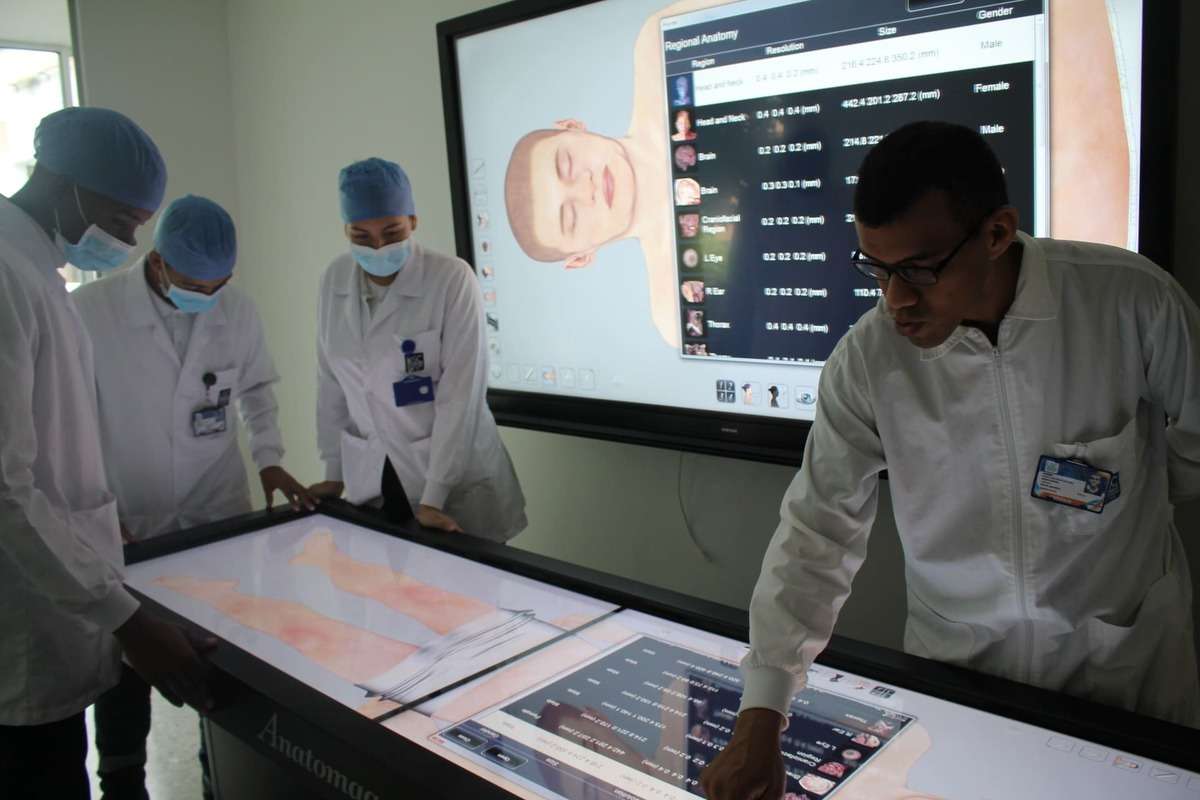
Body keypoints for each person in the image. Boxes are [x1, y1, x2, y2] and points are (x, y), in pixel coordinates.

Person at [700, 121, 1200, 800]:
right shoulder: (869, 360)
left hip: (1124, 679)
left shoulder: (1128, 302)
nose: (896, 300)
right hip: (963, 685)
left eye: (919, 269)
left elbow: (1193, 449)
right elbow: (817, 532)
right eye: (878, 270)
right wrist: (763, 710)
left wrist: (1137, 506)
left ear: (997, 233)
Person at [502, 0, 1131, 351]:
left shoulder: (655, 42)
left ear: (571, 127)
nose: (586, 188)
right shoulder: (675, 313)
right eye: (570, 215)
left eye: (565, 165)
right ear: (581, 256)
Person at [0, 106, 213, 800]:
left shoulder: (38, 271)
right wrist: (127, 618)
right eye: (122, 219)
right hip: (23, 619)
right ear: (62, 183)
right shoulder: (6, 275)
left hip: (61, 584)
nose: (127, 241)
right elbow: (5, 488)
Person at [74, 193, 312, 798]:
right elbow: (69, 421)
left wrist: (270, 459)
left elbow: (257, 391)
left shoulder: (238, 310)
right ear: (158, 262)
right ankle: (122, 774)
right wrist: (91, 509)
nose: (208, 297)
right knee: (125, 653)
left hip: (215, 505)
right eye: (193, 285)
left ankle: (221, 768)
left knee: (220, 648)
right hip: (128, 510)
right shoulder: (91, 311)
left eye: (218, 285)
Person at [310, 158, 526, 541]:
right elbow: (331, 384)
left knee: (466, 577)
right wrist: (333, 471)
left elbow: (460, 397)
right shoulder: (334, 280)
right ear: (345, 230)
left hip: (451, 478)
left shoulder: (451, 279)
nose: (378, 246)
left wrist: (435, 495)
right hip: (375, 476)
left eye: (391, 232)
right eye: (361, 236)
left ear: (413, 221)